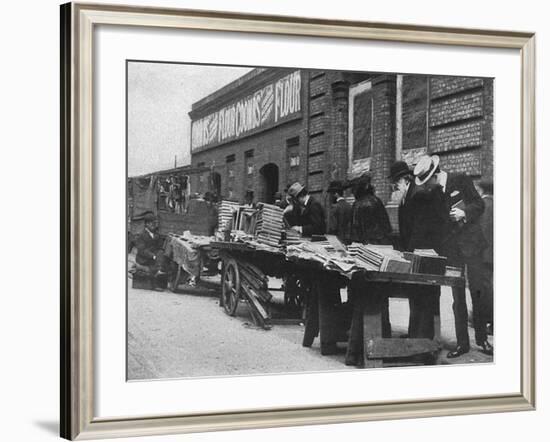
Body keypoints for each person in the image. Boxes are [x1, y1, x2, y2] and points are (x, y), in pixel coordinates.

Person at [414, 155, 487, 358]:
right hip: (453, 251)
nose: (427, 186)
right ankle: (462, 344)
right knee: (457, 298)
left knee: (477, 292)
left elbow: (479, 205)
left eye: (428, 182)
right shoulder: (435, 193)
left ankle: (482, 339)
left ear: (435, 175)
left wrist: (464, 214)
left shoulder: (460, 179)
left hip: (473, 246)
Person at [476, 178, 494, 347]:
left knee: (484, 291)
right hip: (495, 255)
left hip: (482, 255)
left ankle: (485, 321)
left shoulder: (481, 206)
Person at [350, 173, 392, 245]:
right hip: (380, 242)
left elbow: (355, 228)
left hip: (363, 244)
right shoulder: (377, 201)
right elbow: (387, 226)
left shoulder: (357, 204)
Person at [135, 213, 169, 289]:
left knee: (161, 254)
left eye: (155, 223)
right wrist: (153, 256)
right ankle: (156, 279)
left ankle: (159, 270)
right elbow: (142, 250)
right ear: (147, 224)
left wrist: (159, 255)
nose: (154, 225)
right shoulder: (141, 235)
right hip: (144, 259)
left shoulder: (157, 235)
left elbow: (160, 247)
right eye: (152, 223)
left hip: (155, 258)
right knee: (154, 267)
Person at [327, 180, 352, 244]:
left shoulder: (335, 207)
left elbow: (333, 228)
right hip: (349, 242)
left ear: (336, 194)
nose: (330, 197)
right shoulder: (349, 206)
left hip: (337, 242)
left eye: (331, 194)